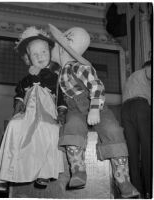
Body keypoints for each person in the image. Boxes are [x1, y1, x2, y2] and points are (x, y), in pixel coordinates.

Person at [48, 24, 139, 198]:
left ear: (62, 49)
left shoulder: (77, 67)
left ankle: (123, 181)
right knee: (73, 125)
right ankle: (78, 171)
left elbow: (96, 86)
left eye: (55, 44)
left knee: (113, 130)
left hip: (96, 106)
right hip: (74, 108)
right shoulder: (60, 71)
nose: (52, 46)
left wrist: (95, 109)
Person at [0, 27, 65, 191]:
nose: (40, 57)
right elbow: (19, 93)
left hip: (47, 112)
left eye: (44, 52)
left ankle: (44, 173)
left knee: (49, 130)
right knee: (14, 127)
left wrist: (61, 111)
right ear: (28, 58)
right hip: (28, 113)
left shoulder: (54, 77)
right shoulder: (25, 79)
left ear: (49, 53)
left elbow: (61, 96)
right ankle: (10, 171)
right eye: (35, 54)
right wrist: (18, 105)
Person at [121, 61, 152, 198]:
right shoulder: (145, 72)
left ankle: (137, 191)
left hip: (125, 110)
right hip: (140, 106)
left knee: (132, 153)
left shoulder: (132, 77)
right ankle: (150, 190)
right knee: (147, 149)